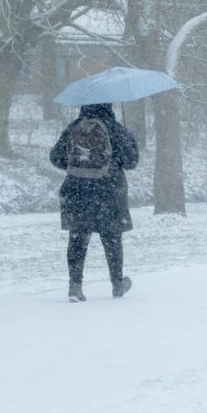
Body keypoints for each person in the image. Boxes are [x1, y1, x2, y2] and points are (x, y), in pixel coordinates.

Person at [50, 102, 140, 302]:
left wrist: (78, 166)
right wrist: (129, 139)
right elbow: (132, 161)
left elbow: (55, 158)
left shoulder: (74, 128)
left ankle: (75, 286)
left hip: (76, 191)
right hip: (109, 191)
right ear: (109, 106)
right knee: (112, 239)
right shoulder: (115, 129)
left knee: (77, 238)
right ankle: (117, 284)